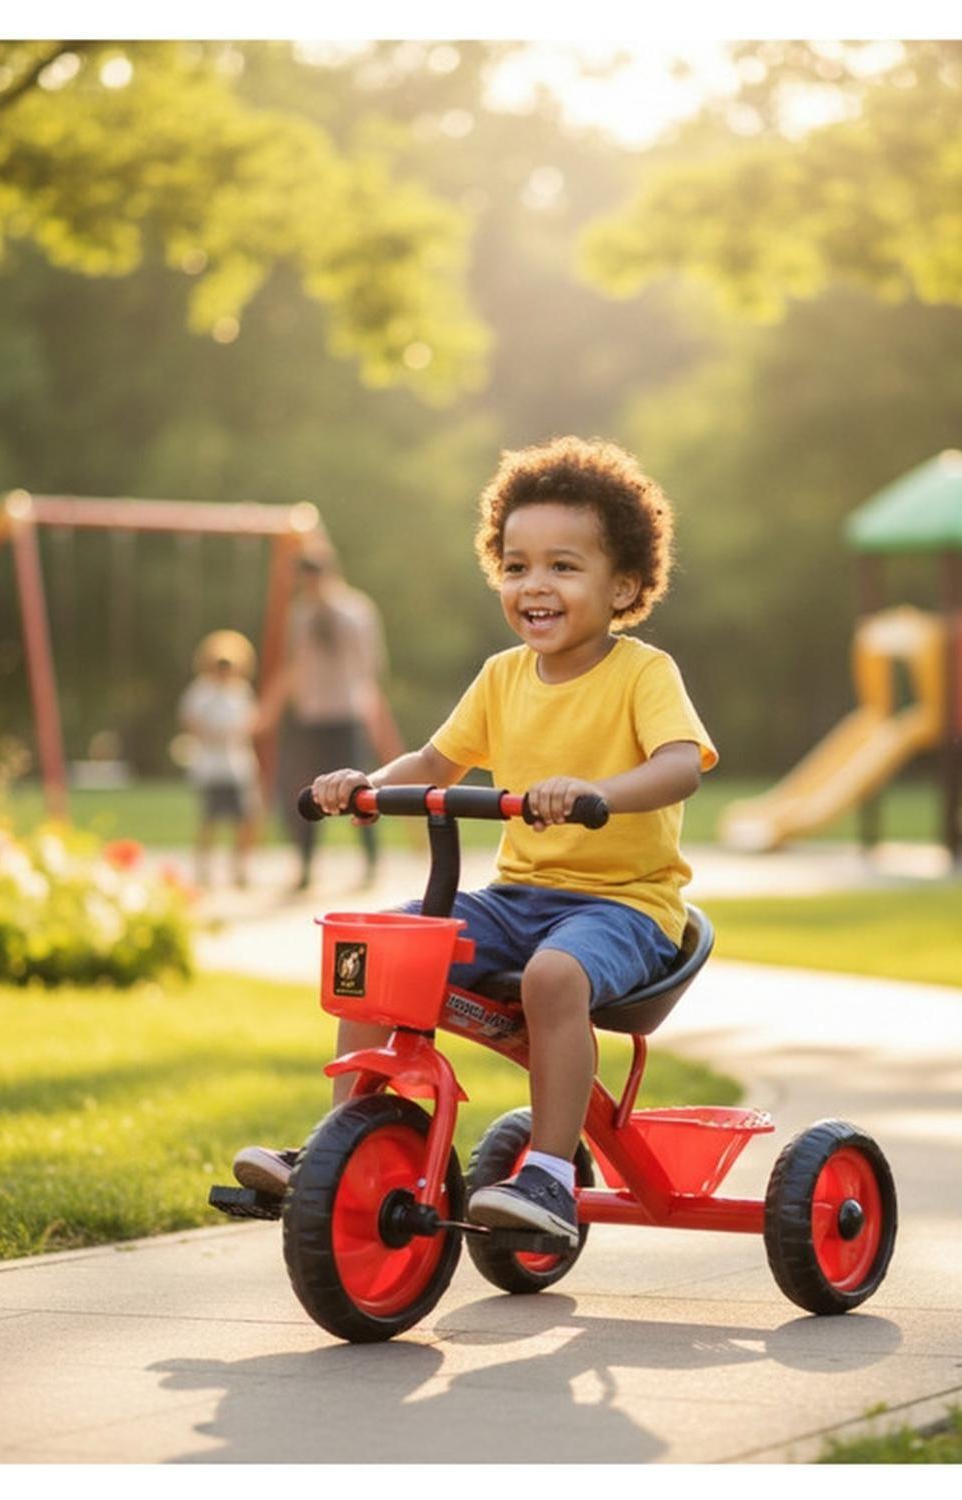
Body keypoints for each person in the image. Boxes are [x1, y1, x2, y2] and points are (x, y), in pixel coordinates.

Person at [233, 436, 717, 1247]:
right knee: (378, 948)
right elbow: (433, 762)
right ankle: (337, 1143)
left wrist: (596, 793)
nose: (536, 585)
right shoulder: (501, 676)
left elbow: (680, 767)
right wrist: (362, 784)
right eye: (517, 565)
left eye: (564, 566)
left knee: (555, 977)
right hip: (518, 901)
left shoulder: (642, 674)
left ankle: (552, 1178)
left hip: (625, 909)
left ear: (623, 585)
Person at [257, 548, 398, 891]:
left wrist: (329, 608)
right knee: (306, 791)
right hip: (310, 715)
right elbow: (294, 665)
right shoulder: (300, 615)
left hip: (346, 712)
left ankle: (371, 861)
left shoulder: (355, 610)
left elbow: (371, 662)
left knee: (360, 790)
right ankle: (304, 864)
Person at [178, 630, 261, 888]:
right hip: (211, 765)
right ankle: (204, 868)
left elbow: (251, 722)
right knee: (209, 819)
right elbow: (190, 721)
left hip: (238, 764)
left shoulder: (241, 691)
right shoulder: (200, 691)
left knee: (246, 819)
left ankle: (240, 867)